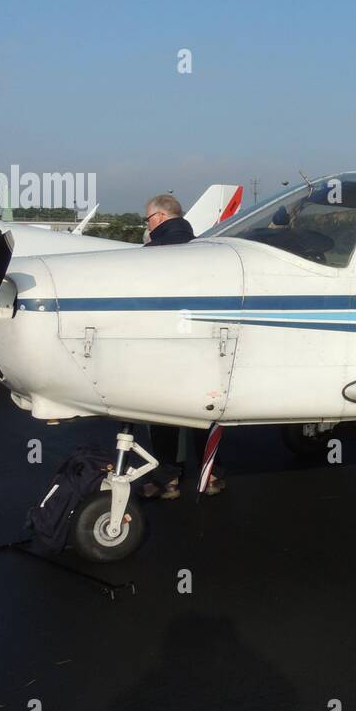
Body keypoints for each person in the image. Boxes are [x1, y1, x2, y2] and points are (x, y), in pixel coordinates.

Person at [138, 192, 226, 496]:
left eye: (148, 218)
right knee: (205, 408)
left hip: (165, 344)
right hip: (204, 344)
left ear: (160, 218)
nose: (148, 224)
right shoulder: (205, 249)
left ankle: (168, 479)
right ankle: (210, 475)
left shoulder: (152, 253)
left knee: (164, 414)